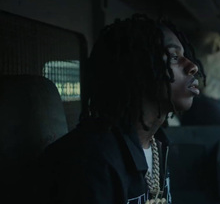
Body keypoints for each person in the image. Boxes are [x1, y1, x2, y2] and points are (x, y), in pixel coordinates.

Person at [34, 14, 205, 204]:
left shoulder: (157, 145)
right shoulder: (89, 160)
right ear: (137, 68)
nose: (192, 66)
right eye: (174, 57)